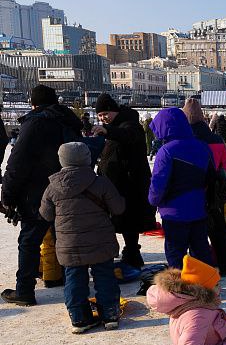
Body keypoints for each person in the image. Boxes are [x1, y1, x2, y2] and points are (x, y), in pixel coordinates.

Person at [1, 85, 82, 307]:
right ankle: (73, 285)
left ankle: (24, 291)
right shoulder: (68, 121)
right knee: (65, 238)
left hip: (37, 193)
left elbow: (17, 163)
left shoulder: (35, 123)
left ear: (33, 103)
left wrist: (7, 195)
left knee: (29, 241)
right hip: (70, 189)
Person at [39, 142, 125, 332]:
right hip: (100, 241)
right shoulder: (101, 182)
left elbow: (46, 215)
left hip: (70, 245)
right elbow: (118, 208)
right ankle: (110, 314)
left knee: (74, 279)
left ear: (62, 160)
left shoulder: (53, 187)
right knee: (105, 276)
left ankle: (79, 318)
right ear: (87, 158)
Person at [92, 93, 156, 268]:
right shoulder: (116, 125)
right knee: (123, 222)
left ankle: (132, 254)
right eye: (100, 115)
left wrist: (108, 131)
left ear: (115, 111)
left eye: (106, 113)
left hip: (130, 185)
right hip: (117, 184)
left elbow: (128, 135)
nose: (103, 117)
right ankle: (129, 253)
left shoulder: (129, 123)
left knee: (129, 222)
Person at [148, 108, 214, 269]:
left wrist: (153, 200)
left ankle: (180, 290)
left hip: (173, 212)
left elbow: (158, 183)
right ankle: (206, 287)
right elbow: (210, 177)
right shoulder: (202, 146)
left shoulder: (166, 151)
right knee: (200, 251)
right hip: (198, 209)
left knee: (176, 254)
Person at [183, 99, 226, 276]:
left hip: (192, 191)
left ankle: (199, 268)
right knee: (218, 229)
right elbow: (224, 165)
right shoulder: (216, 140)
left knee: (194, 233)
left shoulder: (184, 140)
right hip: (215, 190)